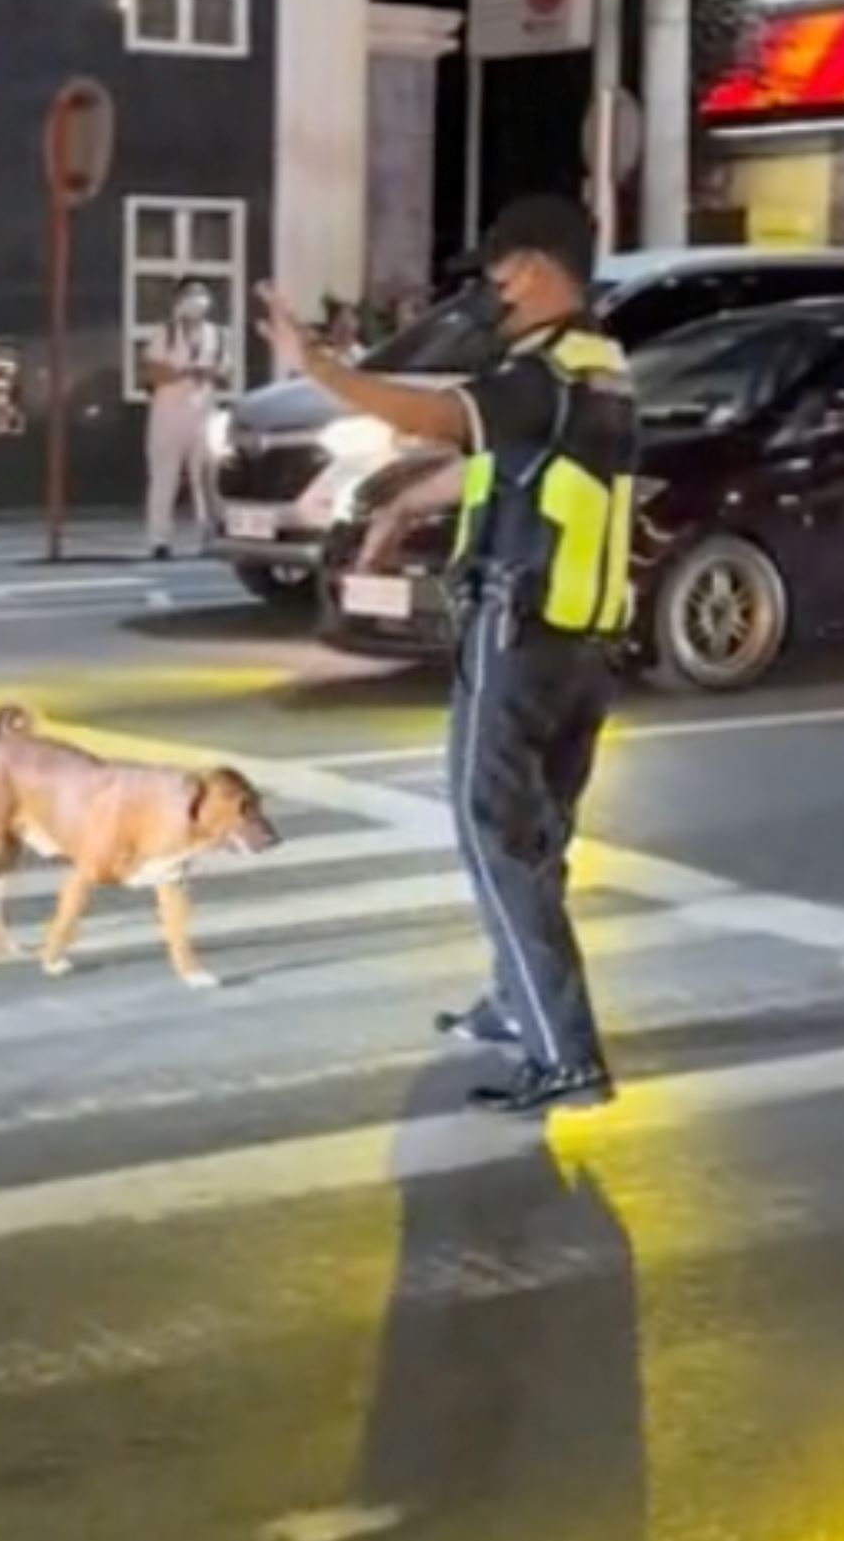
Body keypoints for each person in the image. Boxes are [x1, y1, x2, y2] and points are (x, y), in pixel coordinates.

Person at [259, 194, 636, 1117]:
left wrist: (319, 366)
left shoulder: (536, 376)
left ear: (536, 271)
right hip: (583, 642)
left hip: (518, 637)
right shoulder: (598, 370)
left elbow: (432, 415)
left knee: (492, 829)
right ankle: (517, 1001)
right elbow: (508, 464)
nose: (488, 295)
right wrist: (400, 507)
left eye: (497, 277)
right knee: (535, 836)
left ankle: (564, 1053)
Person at [141, 280, 225, 559]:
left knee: (206, 478)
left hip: (203, 414)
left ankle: (209, 536)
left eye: (202, 294)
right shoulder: (165, 333)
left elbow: (225, 372)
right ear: (178, 301)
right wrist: (183, 372)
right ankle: (159, 540)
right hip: (168, 415)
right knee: (165, 478)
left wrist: (210, 373)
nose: (198, 300)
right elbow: (151, 372)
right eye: (191, 294)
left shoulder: (216, 335)